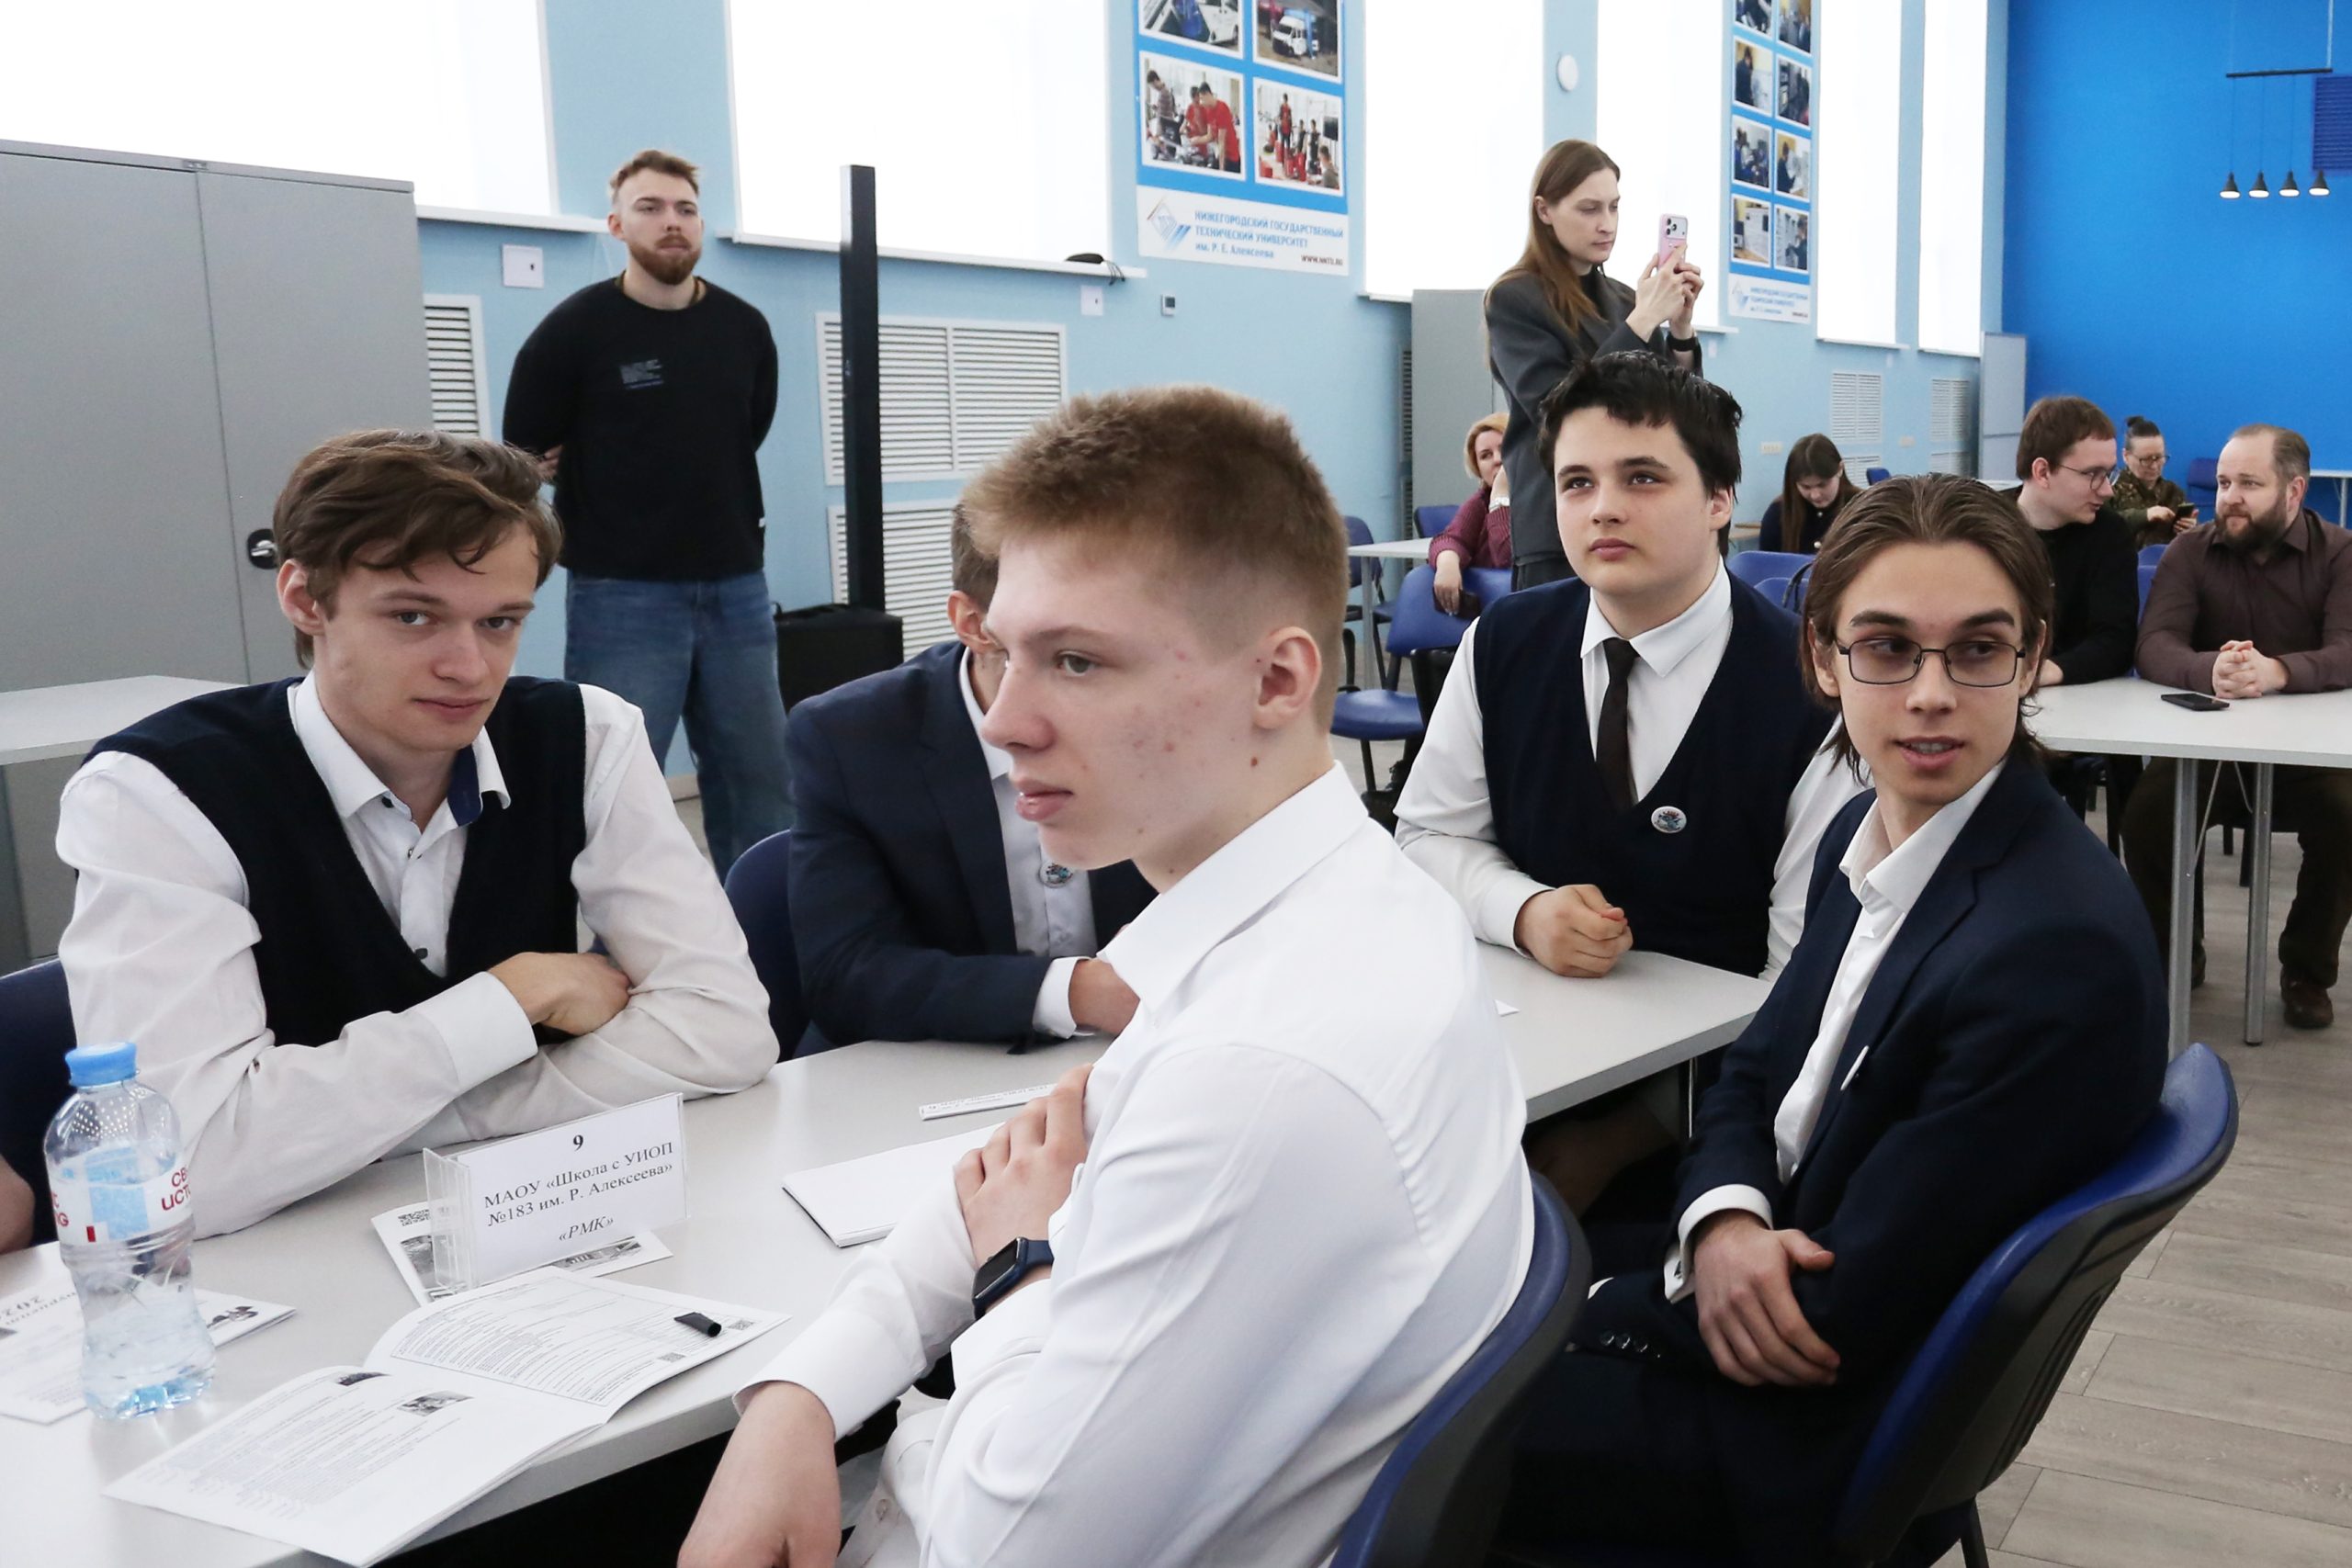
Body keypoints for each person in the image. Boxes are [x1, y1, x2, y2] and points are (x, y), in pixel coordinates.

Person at [678, 386, 1531, 1568]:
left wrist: (1015, 1267)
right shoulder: (1329, 909)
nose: (1004, 722)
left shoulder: (1256, 1076)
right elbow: (1017, 1166)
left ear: (1277, 683)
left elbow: (1001, 1549)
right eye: (1000, 655)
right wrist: (805, 1388)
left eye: (1075, 661)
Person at [1501, 475, 2167, 1566]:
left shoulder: (2052, 954)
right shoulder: (1861, 834)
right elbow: (1751, 1072)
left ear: (2030, 659)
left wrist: (1614, 1300)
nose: (1930, 695)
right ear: (1823, 660)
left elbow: (1831, 1321)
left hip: (1791, 1437)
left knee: (1381, 1422)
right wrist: (1719, 1223)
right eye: (1887, 648)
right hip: (1755, 1261)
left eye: (1977, 649)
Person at [54, 431, 775, 1239]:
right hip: (282, 1264)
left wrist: (391, 1121)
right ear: (305, 599)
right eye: (412, 616)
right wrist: (513, 998)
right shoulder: (156, 793)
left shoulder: (586, 735)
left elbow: (727, 1031)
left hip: (523, 1231)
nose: (468, 667)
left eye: (499, 622)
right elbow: (189, 1166)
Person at [1396, 354, 1860, 1211]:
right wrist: (1523, 910)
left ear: (1720, 499)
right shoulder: (1502, 645)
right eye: (1576, 482)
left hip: (1713, 1119)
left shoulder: (1812, 691)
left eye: (1642, 477)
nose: (1602, 506)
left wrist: (1626, 1134)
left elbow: (1801, 982)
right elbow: (1426, 837)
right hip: (1514, 1066)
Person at [502, 149, 790, 876]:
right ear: (616, 225)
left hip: (737, 587)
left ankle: (764, 928)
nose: (672, 222)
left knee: (761, 784)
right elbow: (524, 450)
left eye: (685, 209)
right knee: (617, 786)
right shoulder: (575, 329)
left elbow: (745, 430)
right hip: (621, 595)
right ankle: (623, 938)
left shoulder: (744, 328)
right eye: (651, 208)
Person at [785, 510, 1154, 1049]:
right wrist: (1080, 992)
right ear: (974, 624)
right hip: (932, 1059)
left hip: (1145, 1046)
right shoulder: (850, 736)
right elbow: (844, 976)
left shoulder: (1161, 708)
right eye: (1074, 656)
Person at [2126, 423, 2352, 1030]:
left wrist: (2278, 671)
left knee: (2348, 817)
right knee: (2148, 815)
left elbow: (2348, 649)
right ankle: (2177, 953)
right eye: (2225, 483)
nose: (2229, 497)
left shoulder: (2340, 553)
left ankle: (2306, 969)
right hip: (2210, 750)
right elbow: (2155, 644)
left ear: (2294, 490)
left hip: (2310, 753)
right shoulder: (2189, 551)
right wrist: (2211, 669)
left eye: (2249, 484)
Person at [1487, 140, 1705, 590]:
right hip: (1558, 528)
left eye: (1614, 207)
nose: (1607, 224)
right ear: (1544, 210)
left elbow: (1679, 408)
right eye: (1589, 209)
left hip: (1635, 517)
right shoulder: (1515, 298)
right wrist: (1642, 321)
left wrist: (1681, 329)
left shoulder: (1625, 298)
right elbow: (1558, 409)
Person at [2007, 396, 2137, 688]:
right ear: (2042, 472)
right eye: (2092, 474)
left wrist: (2045, 672)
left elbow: (2117, 641)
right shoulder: (1982, 528)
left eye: (2109, 474)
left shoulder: (2111, 535)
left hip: (2074, 697)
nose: (2107, 490)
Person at [1430, 412, 1513, 613]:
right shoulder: (1480, 501)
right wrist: (1447, 564)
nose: (1497, 460)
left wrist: (1501, 498)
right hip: (1488, 612)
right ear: (1478, 468)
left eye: (1504, 449)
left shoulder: (1546, 500)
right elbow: (1451, 538)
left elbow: (1506, 559)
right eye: (1486, 455)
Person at [1756, 434, 1859, 553]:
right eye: (1805, 487)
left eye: (1822, 485)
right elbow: (1765, 562)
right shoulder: (1778, 513)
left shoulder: (1863, 509)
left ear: (1840, 469)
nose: (1815, 495)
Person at [2112, 414, 2196, 547]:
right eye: (2146, 459)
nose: (2154, 466)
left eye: (2159, 457)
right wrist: (2144, 515)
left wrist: (2190, 530)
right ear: (2126, 456)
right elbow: (2102, 527)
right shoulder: (2110, 489)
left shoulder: (2173, 492)